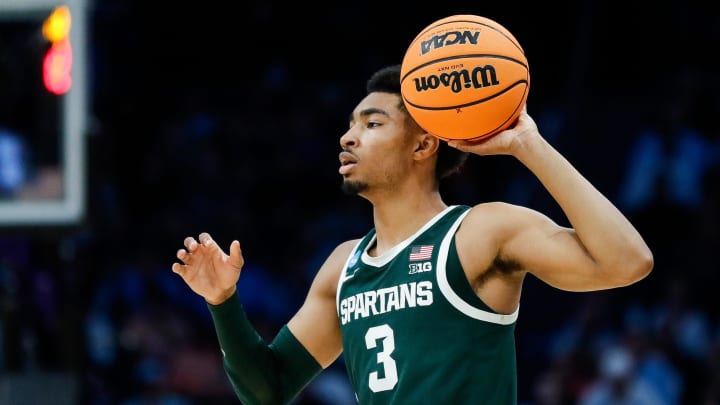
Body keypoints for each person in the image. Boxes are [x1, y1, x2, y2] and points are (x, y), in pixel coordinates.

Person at [171, 64, 654, 404]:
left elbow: (627, 261)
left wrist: (527, 143)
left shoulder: (480, 232)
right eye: (349, 125)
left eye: (372, 123)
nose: (348, 137)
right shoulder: (344, 265)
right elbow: (269, 389)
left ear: (423, 143)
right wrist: (223, 302)